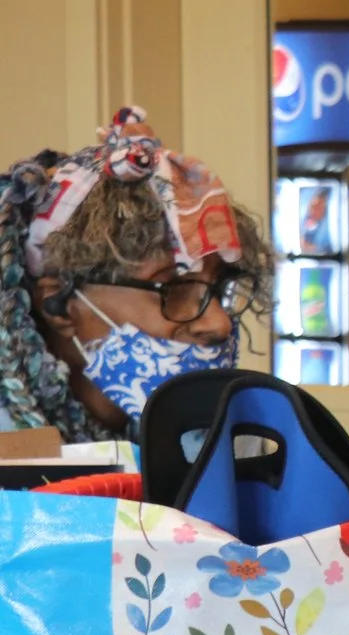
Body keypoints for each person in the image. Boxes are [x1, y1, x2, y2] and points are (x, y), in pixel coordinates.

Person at [1, 107, 270, 441]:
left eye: (219, 287)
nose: (219, 323)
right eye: (174, 287)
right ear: (58, 304)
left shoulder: (227, 440)